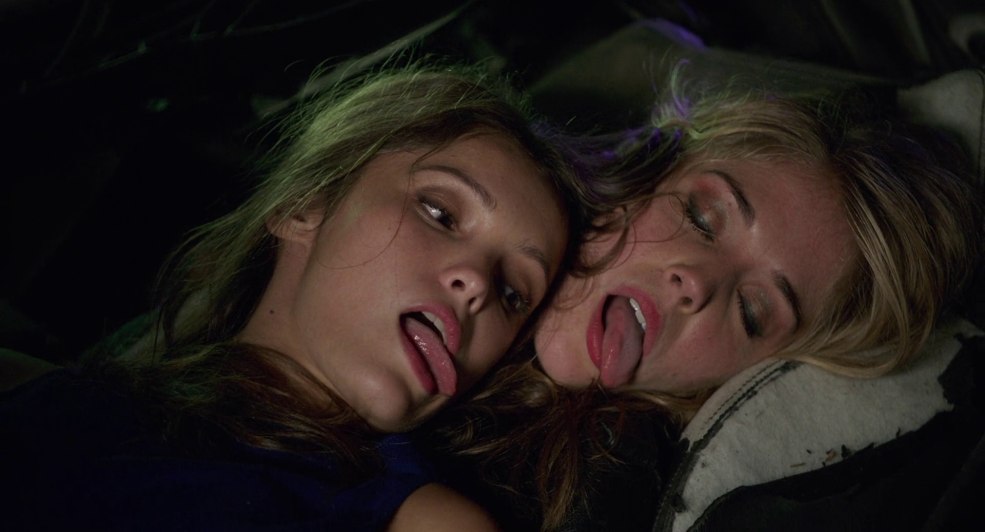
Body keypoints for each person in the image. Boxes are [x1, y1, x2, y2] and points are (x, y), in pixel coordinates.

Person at [0, 63, 597, 531]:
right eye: (439, 212)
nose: (478, 285)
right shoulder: (54, 397)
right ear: (305, 206)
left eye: (514, 292)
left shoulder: (424, 523)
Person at [422, 82, 984, 530]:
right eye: (701, 217)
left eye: (753, 313)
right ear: (648, 169)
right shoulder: (453, 194)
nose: (695, 283)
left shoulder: (609, 488)